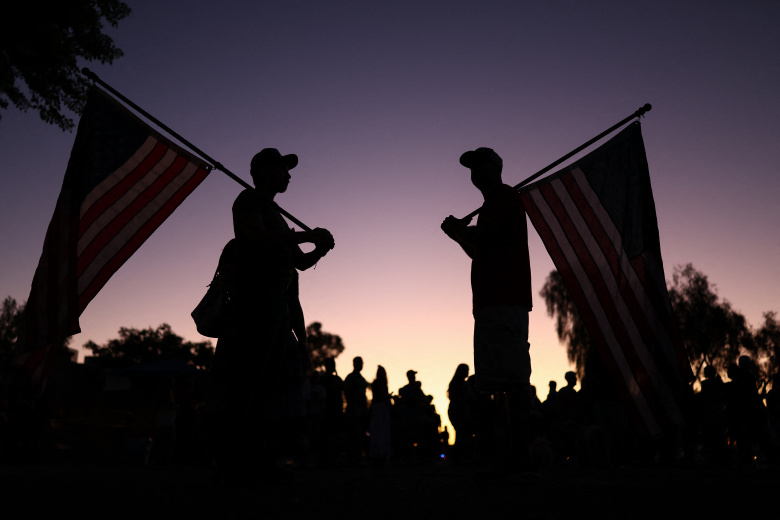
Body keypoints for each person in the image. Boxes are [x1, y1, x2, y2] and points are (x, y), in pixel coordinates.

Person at [210, 148, 334, 484]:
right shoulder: (248, 201)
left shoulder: (276, 212)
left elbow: (300, 263)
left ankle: (261, 456)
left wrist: (319, 247)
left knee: (271, 386)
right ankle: (234, 459)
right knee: (248, 381)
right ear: (264, 170)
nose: (289, 175)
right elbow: (256, 237)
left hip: (278, 309)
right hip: (254, 305)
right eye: (283, 168)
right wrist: (307, 235)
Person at [441, 147, 533, 472]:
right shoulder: (491, 206)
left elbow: (487, 237)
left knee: (513, 378)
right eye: (472, 168)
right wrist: (458, 235)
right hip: (491, 300)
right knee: (497, 378)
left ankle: (521, 452)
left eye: (481, 166)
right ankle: (508, 451)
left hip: (504, 298)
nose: (475, 173)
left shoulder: (504, 198)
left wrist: (459, 231)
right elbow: (479, 250)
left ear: (496, 168)